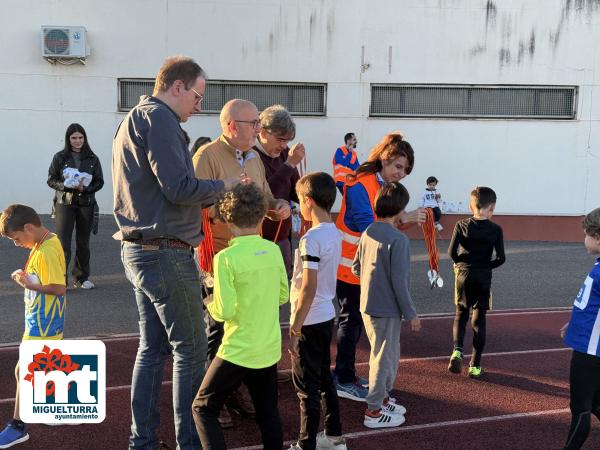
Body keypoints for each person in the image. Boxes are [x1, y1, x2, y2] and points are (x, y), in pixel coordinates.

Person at [112, 55, 236, 450]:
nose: (200, 105)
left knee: (153, 348)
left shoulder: (133, 118)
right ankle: (190, 443)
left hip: (141, 251)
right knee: (192, 349)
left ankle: (143, 441)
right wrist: (224, 186)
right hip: (165, 252)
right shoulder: (160, 119)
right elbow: (179, 188)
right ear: (177, 87)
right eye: (198, 96)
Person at [193, 99, 291, 425]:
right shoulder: (206, 157)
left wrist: (276, 204)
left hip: (252, 251)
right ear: (232, 125)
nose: (259, 130)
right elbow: (194, 206)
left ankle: (234, 389)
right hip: (220, 254)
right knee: (217, 329)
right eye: (254, 124)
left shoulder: (254, 158)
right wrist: (231, 205)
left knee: (244, 325)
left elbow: (262, 196)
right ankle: (216, 396)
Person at [192, 183, 288, 450]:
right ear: (260, 216)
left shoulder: (225, 258)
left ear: (226, 219)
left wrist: (209, 298)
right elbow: (282, 297)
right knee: (268, 412)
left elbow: (224, 312)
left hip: (237, 349)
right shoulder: (273, 250)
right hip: (267, 347)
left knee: (202, 407)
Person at [334, 132, 425, 402]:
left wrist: (405, 219)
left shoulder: (379, 184)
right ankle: (344, 378)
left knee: (357, 324)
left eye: (406, 170)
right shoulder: (361, 183)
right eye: (398, 166)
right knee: (350, 322)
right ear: (384, 159)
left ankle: (349, 376)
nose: (402, 173)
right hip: (351, 266)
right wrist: (402, 218)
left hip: (366, 266)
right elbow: (369, 227)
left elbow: (381, 224)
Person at [351, 182, 421, 428]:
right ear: (399, 209)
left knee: (384, 354)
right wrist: (412, 313)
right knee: (384, 358)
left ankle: (382, 397)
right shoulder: (398, 240)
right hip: (387, 309)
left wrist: (373, 282)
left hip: (367, 305)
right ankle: (373, 410)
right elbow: (399, 282)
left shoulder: (368, 231)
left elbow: (356, 267)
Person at [0, 204, 66, 448]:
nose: (17, 243)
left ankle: (18, 426)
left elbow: (59, 288)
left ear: (29, 227)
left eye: (17, 238)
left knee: (24, 371)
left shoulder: (47, 249)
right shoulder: (42, 244)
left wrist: (28, 285)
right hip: (39, 321)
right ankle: (51, 411)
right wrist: (27, 280)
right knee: (33, 369)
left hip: (44, 324)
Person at [288, 172, 346, 450]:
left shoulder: (311, 239)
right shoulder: (333, 232)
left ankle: (305, 444)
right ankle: (333, 437)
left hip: (310, 320)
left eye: (299, 201)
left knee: (306, 388)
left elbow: (308, 287)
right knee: (324, 379)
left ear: (308, 201)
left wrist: (295, 327)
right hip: (325, 316)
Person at [447, 187, 506, 379]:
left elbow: (451, 252)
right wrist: (487, 266)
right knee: (479, 320)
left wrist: (461, 264)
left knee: (460, 314)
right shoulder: (496, 229)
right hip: (483, 276)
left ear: (470, 205)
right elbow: (501, 258)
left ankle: (457, 351)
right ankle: (475, 366)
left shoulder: (461, 224)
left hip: (463, 274)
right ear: (492, 207)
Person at [561, 207, 600, 450]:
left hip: (590, 351)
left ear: (598, 237)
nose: (583, 239)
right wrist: (573, 323)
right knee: (595, 403)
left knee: (581, 409)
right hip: (590, 344)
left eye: (586, 234)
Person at [47, 123, 104, 289]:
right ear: (68, 139)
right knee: (63, 243)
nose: (77, 141)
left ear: (84, 139)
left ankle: (81, 278)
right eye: (74, 138)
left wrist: (85, 188)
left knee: (83, 242)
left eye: (80, 137)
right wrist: (66, 186)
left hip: (86, 203)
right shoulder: (60, 157)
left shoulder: (93, 158)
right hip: (64, 203)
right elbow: (51, 180)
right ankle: (60, 280)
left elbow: (99, 182)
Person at [255, 104, 304, 278]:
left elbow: (296, 191)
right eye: (280, 139)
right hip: (258, 240)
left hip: (283, 237)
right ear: (262, 131)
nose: (284, 145)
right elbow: (265, 194)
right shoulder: (251, 155)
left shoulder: (284, 155)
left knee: (281, 297)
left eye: (287, 141)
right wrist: (289, 164)